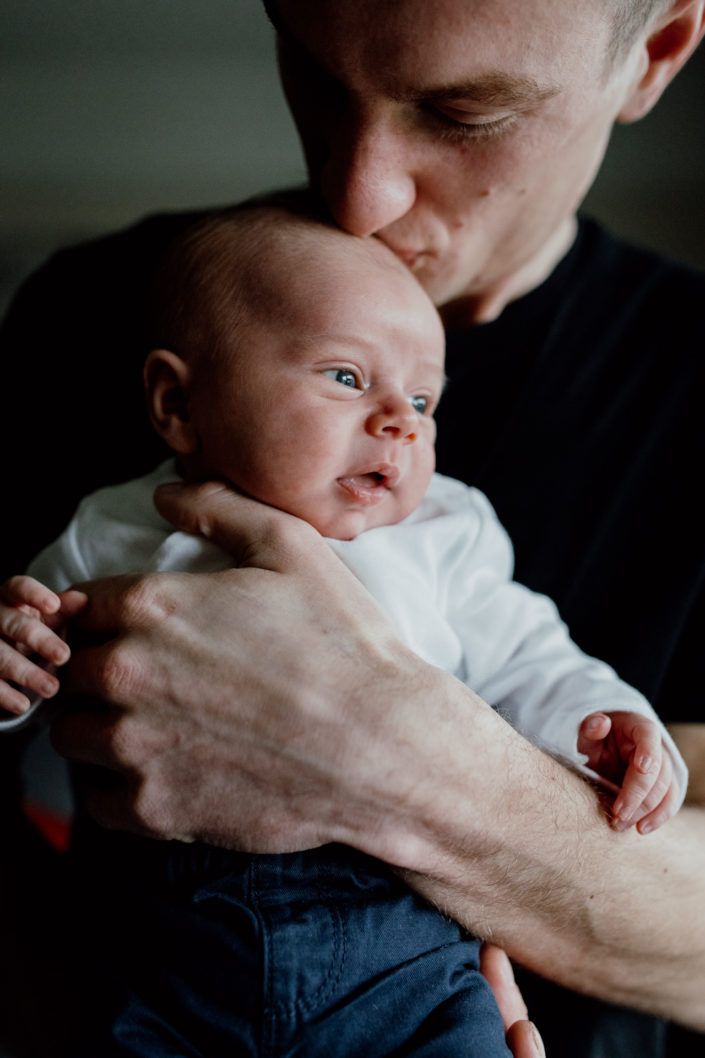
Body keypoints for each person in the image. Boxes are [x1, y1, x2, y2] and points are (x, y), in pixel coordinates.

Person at [1, 1, 704, 1055]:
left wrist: (380, 752)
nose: (358, 193)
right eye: (318, 77)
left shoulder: (468, 521)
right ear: (175, 406)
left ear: (652, 55)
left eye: (464, 111)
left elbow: (555, 682)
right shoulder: (93, 316)